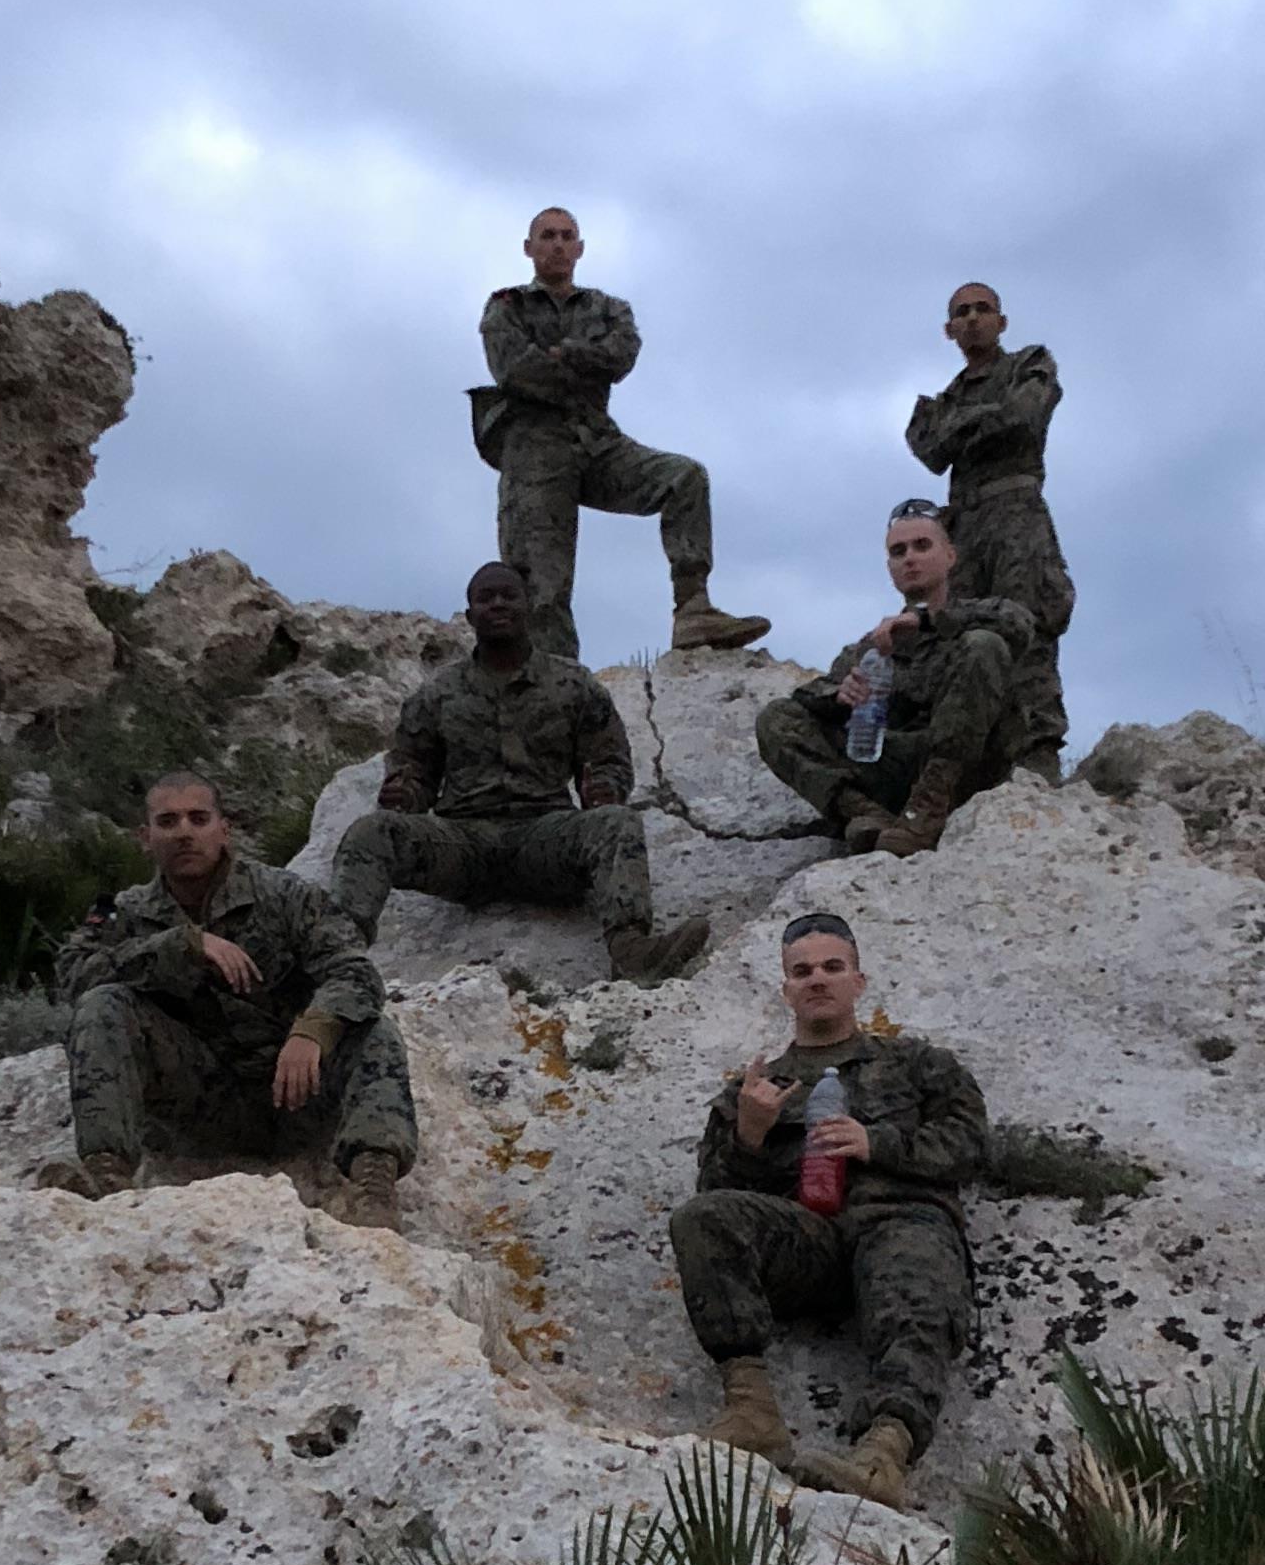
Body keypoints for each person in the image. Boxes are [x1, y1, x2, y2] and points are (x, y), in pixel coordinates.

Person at [668, 909, 987, 1508]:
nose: (818, 979)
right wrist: (751, 1135)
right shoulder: (759, 1086)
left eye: (833, 967)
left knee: (915, 1270)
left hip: (901, 1223)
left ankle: (885, 1455)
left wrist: (878, 1142)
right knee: (700, 1219)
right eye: (802, 970)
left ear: (858, 981)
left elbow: (971, 1145)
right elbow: (715, 1194)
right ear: (785, 988)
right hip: (809, 1240)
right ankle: (752, 1413)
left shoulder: (919, 1066)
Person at [41, 768, 415, 1223]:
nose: (184, 833)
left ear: (224, 829)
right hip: (200, 1102)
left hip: (298, 1091)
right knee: (103, 1006)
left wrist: (311, 1033)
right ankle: (107, 1177)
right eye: (168, 821)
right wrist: (180, 946)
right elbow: (74, 978)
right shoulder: (126, 914)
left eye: (199, 819)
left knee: (373, 1029)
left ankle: (373, 1189)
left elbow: (354, 970)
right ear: (145, 836)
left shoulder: (282, 895)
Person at [331, 561, 711, 983]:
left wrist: (605, 789)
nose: (497, 604)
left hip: (544, 839)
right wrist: (405, 794)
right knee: (371, 832)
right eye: (485, 597)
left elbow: (610, 758)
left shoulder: (573, 685)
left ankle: (632, 952)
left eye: (508, 595)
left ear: (529, 606)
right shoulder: (438, 694)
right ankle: (335, 962)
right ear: (470, 614)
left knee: (617, 824)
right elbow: (413, 766)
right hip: (463, 845)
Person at [472, 205, 773, 665]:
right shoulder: (506, 306)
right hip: (534, 448)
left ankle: (693, 610)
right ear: (528, 248)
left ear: (580, 248)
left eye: (566, 236)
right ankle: (555, 679)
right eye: (547, 236)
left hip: (597, 441)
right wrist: (583, 361)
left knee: (684, 479)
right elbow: (515, 371)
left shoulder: (608, 308)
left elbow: (622, 357)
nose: (557, 244)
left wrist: (560, 354)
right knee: (542, 586)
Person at [753, 503, 1062, 854]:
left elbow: (1019, 624)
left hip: (969, 767)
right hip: (897, 766)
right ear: (890, 569)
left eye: (922, 546)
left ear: (950, 556)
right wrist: (840, 695)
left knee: (984, 646)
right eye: (898, 552)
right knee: (776, 719)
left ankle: (927, 811)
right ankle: (865, 815)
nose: (910, 558)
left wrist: (929, 620)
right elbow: (807, 699)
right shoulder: (871, 648)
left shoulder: (981, 618)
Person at [905, 279, 1076, 648]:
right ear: (949, 331)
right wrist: (986, 418)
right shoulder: (946, 400)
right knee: (956, 630)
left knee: (1026, 627)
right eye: (961, 312)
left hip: (1017, 523)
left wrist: (959, 427)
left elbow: (1022, 416)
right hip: (963, 530)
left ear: (1002, 322)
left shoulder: (1029, 363)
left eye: (983, 309)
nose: (972, 318)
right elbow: (929, 450)